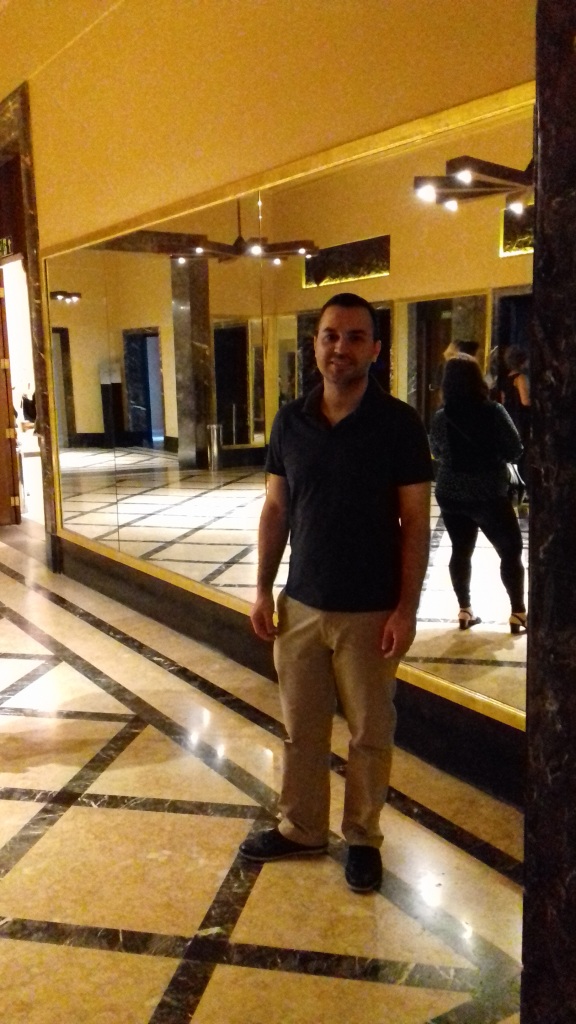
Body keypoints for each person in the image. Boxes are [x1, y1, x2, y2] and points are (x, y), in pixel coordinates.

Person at [239, 292, 432, 893]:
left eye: (354, 337)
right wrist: (262, 589)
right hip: (301, 605)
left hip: (371, 611)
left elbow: (415, 522)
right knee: (302, 729)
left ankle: (362, 837)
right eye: (330, 336)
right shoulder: (290, 422)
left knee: (369, 733)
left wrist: (406, 608)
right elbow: (276, 509)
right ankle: (301, 828)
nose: (339, 348)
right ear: (315, 344)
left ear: (375, 349)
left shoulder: (399, 424)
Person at [429, 356, 527, 634]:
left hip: (450, 493)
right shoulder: (494, 411)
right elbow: (515, 449)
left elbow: (436, 451)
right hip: (488, 493)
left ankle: (465, 610)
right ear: (477, 379)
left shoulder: (441, 416)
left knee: (461, 549)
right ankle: (518, 613)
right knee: (510, 551)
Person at [502, 345, 531, 503]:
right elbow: (525, 401)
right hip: (520, 420)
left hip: (509, 419)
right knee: (523, 455)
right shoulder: (521, 378)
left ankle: (511, 489)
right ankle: (523, 490)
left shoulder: (506, 379)